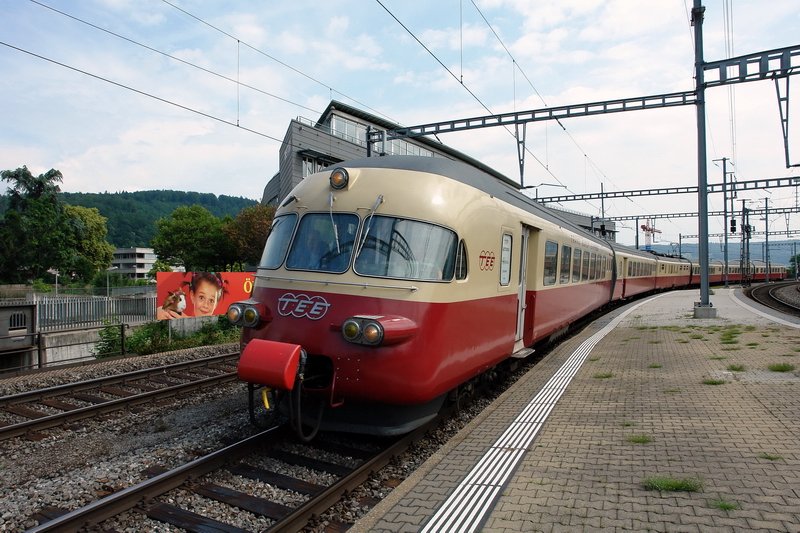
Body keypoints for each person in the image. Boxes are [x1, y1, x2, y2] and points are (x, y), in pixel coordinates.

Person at [156, 272, 226, 319]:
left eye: (211, 300)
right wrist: (159, 311)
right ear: (192, 296)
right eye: (201, 297)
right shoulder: (174, 316)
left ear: (216, 304)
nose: (205, 305)